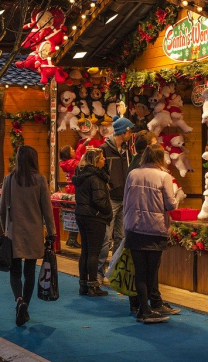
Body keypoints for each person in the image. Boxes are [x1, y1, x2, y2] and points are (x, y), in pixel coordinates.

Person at [0, 146, 56, 327]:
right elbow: (47, 209)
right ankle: (26, 307)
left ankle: (19, 300)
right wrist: (52, 232)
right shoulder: (40, 180)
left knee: (14, 272)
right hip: (34, 232)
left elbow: (1, 208)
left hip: (14, 232)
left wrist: (4, 228)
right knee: (29, 272)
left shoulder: (9, 180)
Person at [123, 144, 180, 324]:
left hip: (134, 227)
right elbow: (171, 205)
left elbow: (125, 200)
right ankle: (147, 310)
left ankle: (143, 309)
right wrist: (179, 196)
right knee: (151, 272)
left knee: (140, 272)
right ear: (160, 158)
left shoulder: (132, 174)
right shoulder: (165, 176)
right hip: (155, 229)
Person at [97, 116, 134, 283]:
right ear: (123, 132)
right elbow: (99, 170)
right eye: (129, 130)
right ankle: (98, 271)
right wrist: (109, 183)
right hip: (111, 198)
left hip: (125, 197)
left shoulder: (127, 150)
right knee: (106, 236)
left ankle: (114, 273)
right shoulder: (104, 149)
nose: (130, 133)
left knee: (120, 236)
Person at [72, 148, 112, 297]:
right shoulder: (96, 177)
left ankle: (83, 284)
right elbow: (99, 199)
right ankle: (93, 286)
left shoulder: (81, 174)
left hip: (82, 215)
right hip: (94, 217)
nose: (104, 160)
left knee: (85, 252)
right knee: (94, 252)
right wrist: (108, 212)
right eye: (102, 158)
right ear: (95, 161)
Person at [59, 145, 81, 248]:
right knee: (76, 214)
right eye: (72, 149)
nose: (74, 150)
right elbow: (81, 164)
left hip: (69, 189)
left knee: (72, 215)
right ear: (68, 153)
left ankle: (71, 238)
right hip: (75, 189)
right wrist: (80, 151)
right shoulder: (73, 163)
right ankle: (72, 238)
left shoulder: (65, 163)